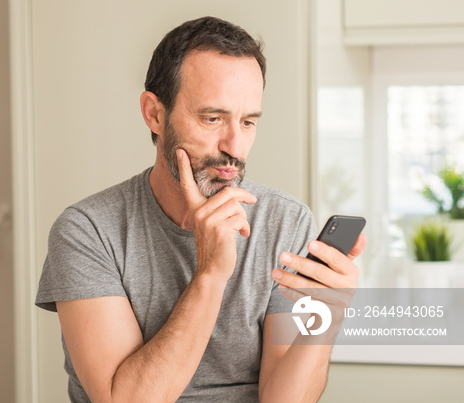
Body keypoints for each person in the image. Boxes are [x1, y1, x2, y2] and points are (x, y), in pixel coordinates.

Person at [36, 16, 367, 402]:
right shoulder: (88, 230)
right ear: (154, 114)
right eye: (213, 118)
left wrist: (326, 318)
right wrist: (210, 274)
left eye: (247, 122)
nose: (234, 146)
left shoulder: (286, 222)